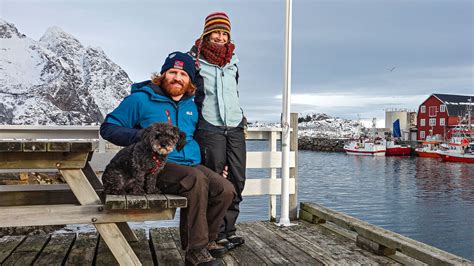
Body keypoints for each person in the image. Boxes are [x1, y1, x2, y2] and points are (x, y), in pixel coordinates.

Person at [100, 51, 235, 266]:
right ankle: (195, 252)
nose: (177, 78)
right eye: (172, 72)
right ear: (162, 75)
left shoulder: (193, 104)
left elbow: (203, 135)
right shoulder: (140, 99)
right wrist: (141, 137)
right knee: (194, 180)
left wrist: (216, 163)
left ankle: (207, 241)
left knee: (225, 189)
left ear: (190, 79)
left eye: (183, 74)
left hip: (192, 163)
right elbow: (107, 128)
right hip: (156, 167)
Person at [189, 12, 246, 250]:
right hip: (209, 125)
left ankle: (230, 228)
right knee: (215, 180)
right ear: (207, 33)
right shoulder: (195, 60)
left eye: (225, 33)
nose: (221, 37)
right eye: (217, 32)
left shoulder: (234, 61)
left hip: (234, 125)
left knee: (237, 178)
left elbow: (233, 92)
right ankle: (216, 233)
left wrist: (241, 117)